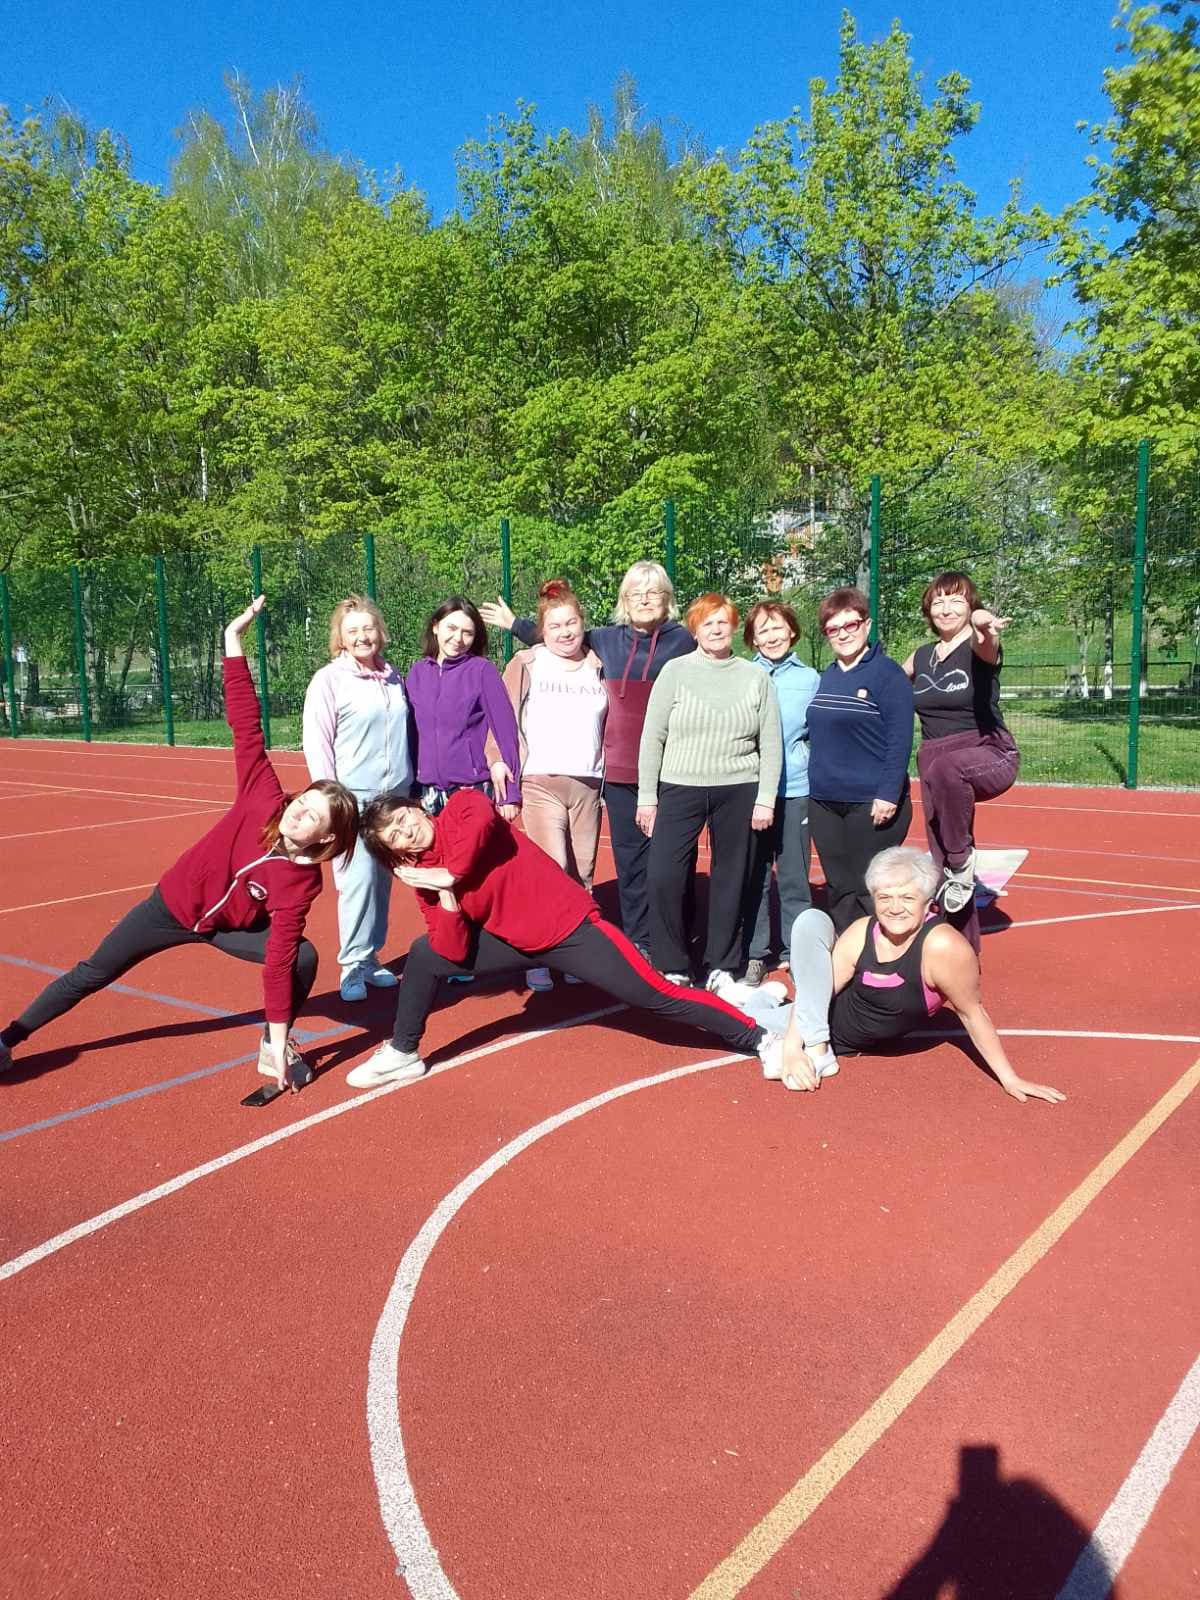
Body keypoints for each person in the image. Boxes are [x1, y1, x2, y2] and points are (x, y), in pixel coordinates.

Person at [0, 598, 359, 1091]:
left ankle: (273, 1046)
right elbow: (247, 727)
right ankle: (8, 1040)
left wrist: (277, 1040)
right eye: (305, 800)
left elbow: (277, 960)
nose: (299, 809)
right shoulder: (263, 798)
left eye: (313, 815)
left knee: (303, 957)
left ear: (327, 837)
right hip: (169, 908)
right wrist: (232, 642)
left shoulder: (302, 883)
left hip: (225, 928)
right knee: (92, 972)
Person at [341, 787, 785, 1088]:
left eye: (403, 819)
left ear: (418, 808)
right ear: (395, 852)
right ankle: (403, 1051)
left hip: (568, 927)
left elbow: (477, 833)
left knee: (657, 995)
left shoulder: (462, 805)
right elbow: (452, 949)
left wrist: (448, 874)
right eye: (394, 836)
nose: (406, 831)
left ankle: (760, 1036)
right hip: (514, 940)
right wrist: (447, 895)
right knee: (424, 955)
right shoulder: (427, 881)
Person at [719, 846, 1064, 1105]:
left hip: (850, 1036)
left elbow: (973, 1013)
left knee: (747, 1018)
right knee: (731, 1022)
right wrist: (795, 1049)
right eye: (884, 897)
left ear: (928, 902)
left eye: (906, 897)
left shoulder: (944, 949)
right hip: (821, 1025)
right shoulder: (861, 932)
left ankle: (760, 997)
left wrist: (1010, 1077)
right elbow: (814, 995)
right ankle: (759, 1001)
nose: (894, 907)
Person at [481, 561, 694, 957]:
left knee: (660, 868)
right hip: (605, 776)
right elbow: (557, 632)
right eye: (635, 593)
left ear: (668, 599)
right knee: (606, 868)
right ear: (623, 602)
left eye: (653, 592)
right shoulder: (606, 641)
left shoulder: (684, 643)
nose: (645, 600)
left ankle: (670, 944)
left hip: (658, 774)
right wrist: (516, 624)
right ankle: (622, 946)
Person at [637, 592, 782, 988]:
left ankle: (721, 963)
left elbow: (771, 742)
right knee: (665, 874)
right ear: (694, 630)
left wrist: (765, 797)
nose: (716, 629)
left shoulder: (756, 677)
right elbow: (653, 737)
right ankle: (674, 963)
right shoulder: (675, 672)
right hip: (680, 785)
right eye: (707, 623)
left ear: (734, 627)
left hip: (739, 787)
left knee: (731, 877)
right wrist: (647, 797)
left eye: (723, 621)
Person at [487, 579, 607, 994]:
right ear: (543, 630)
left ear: (582, 623)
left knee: (584, 874)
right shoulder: (527, 662)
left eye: (571, 622)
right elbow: (501, 718)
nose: (565, 631)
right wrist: (499, 762)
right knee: (550, 869)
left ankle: (576, 954)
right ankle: (537, 959)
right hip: (541, 779)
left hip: (588, 782)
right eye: (555, 625)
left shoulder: (597, 664)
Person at [303, 595, 414, 1002]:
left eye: (368, 628)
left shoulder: (392, 676)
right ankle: (351, 964)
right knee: (356, 882)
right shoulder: (329, 680)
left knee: (381, 881)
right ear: (340, 639)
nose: (363, 636)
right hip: (353, 797)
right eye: (353, 631)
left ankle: (370, 958)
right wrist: (330, 800)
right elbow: (318, 742)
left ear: (380, 632)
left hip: (394, 798)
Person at [903, 571, 1019, 949]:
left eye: (956, 600)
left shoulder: (977, 645)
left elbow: (987, 641)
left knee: (954, 856)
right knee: (941, 865)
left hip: (987, 750)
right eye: (938, 601)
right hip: (934, 762)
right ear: (928, 609)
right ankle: (961, 949)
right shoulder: (922, 655)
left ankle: (961, 859)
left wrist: (985, 626)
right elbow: (888, 680)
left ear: (971, 606)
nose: (946, 608)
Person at [806, 587, 914, 933]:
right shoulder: (826, 677)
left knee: (868, 887)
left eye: (850, 625)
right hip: (824, 802)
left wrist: (887, 794)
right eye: (833, 629)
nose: (843, 634)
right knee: (839, 887)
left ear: (866, 625)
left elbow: (900, 741)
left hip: (869, 803)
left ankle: (880, 955)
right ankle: (847, 957)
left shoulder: (888, 675)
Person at [741, 600, 820, 985]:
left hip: (795, 791)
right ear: (752, 639)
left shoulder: (810, 679)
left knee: (793, 876)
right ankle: (757, 953)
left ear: (791, 631)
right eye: (762, 630)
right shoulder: (741, 676)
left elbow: (818, 733)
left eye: (777, 628)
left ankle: (795, 949)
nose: (771, 636)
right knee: (755, 875)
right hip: (752, 794)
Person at [405, 596, 522, 820]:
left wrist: (510, 793)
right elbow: (410, 736)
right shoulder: (417, 673)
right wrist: (411, 789)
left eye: (467, 632)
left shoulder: (482, 671)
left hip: (471, 789)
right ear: (436, 626)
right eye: (452, 628)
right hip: (426, 793)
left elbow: (505, 730)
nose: (458, 638)